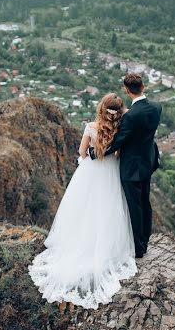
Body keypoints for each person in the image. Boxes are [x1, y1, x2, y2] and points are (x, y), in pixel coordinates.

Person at [27, 93, 137, 309]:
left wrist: (89, 153)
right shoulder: (120, 130)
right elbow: (119, 152)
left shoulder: (90, 127)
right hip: (111, 173)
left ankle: (78, 242)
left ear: (101, 108)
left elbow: (82, 152)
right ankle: (105, 247)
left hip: (90, 172)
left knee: (83, 210)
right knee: (108, 210)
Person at [104, 73, 162, 258]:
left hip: (132, 168)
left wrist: (96, 152)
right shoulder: (157, 108)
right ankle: (145, 240)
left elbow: (119, 141)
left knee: (134, 207)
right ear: (143, 86)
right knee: (145, 204)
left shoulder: (131, 116)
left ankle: (138, 249)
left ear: (126, 90)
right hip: (148, 162)